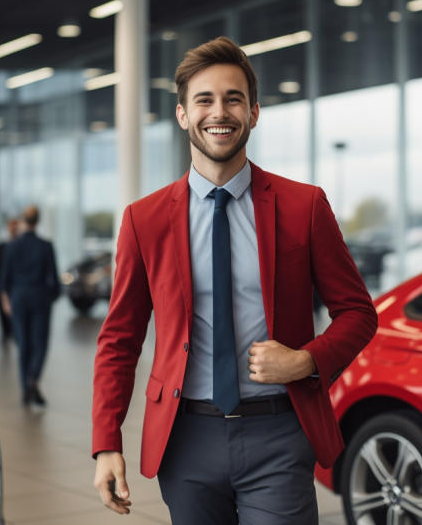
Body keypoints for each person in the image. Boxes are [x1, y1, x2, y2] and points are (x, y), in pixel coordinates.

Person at [92, 37, 377, 524]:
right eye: (203, 99)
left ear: (254, 112)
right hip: (186, 439)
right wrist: (106, 443)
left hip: (279, 435)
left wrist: (305, 360)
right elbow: (119, 338)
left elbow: (358, 314)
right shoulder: (145, 219)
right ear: (182, 114)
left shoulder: (303, 207)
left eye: (233, 98)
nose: (218, 112)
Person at [0, 206, 59, 408]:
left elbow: (3, 280)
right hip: (40, 298)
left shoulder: (12, 246)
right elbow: (54, 280)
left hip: (18, 298)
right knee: (40, 342)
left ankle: (26, 388)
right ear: (38, 220)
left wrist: (6, 301)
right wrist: (52, 297)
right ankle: (33, 378)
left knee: (23, 343)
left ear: (24, 220)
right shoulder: (45, 246)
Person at [0, 218, 19, 343]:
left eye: (15, 226)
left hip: (17, 288)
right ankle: (6, 334)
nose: (13, 229)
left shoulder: (21, 246)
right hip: (2, 287)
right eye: (11, 226)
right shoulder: (0, 247)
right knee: (3, 316)